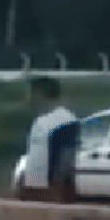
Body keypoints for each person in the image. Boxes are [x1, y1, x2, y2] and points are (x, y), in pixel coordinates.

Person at [18, 76, 79, 204]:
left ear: (39, 95)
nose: (27, 98)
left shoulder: (65, 121)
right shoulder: (39, 120)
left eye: (29, 94)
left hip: (52, 192)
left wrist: (57, 193)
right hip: (33, 189)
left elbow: (65, 160)